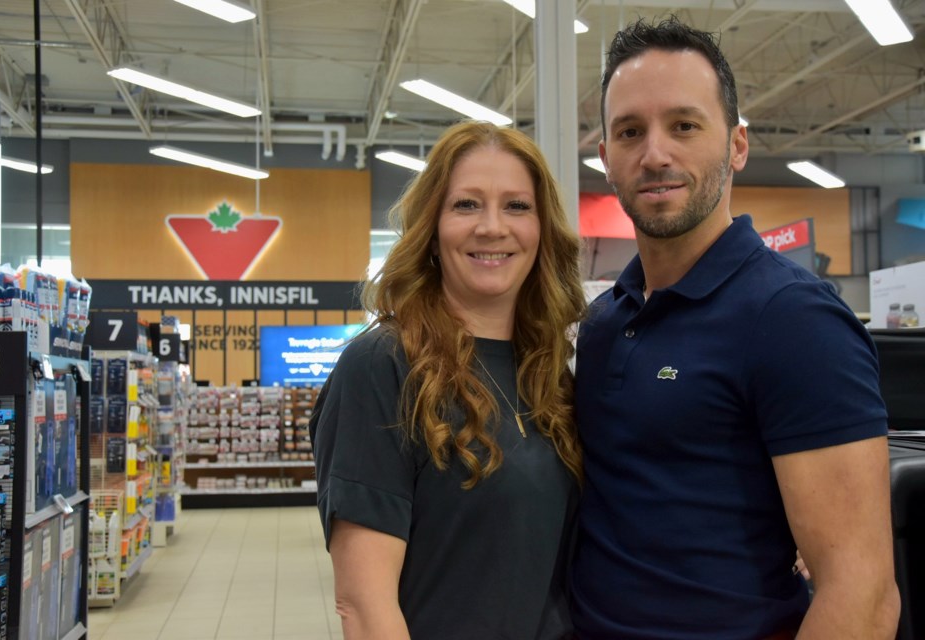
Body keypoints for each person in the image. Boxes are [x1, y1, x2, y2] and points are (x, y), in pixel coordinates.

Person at [571, 16, 900, 640]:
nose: (655, 153)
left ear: (737, 146)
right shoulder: (604, 323)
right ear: (606, 158)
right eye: (630, 131)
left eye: (685, 125)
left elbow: (862, 594)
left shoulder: (794, 320)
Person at [310, 120, 586, 640]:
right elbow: (364, 606)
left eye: (516, 206)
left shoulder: (548, 372)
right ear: (431, 230)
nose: (492, 226)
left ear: (542, 229)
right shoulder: (384, 366)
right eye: (466, 205)